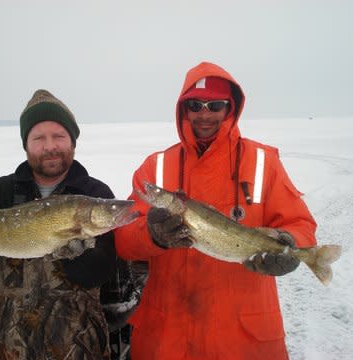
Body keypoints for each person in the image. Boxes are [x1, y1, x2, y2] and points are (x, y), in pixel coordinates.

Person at [114, 61, 317, 359]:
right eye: (195, 105)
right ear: (183, 110)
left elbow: (301, 224)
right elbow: (124, 242)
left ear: (230, 108)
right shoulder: (154, 169)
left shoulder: (263, 162)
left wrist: (291, 244)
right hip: (167, 341)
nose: (204, 114)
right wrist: (152, 235)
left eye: (215, 105)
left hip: (243, 343)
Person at [0, 89, 118, 359]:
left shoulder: (95, 195)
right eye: (38, 138)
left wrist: (78, 255)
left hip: (78, 344)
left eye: (59, 136)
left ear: (73, 142)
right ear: (26, 144)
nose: (50, 146)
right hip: (8, 343)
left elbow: (102, 272)